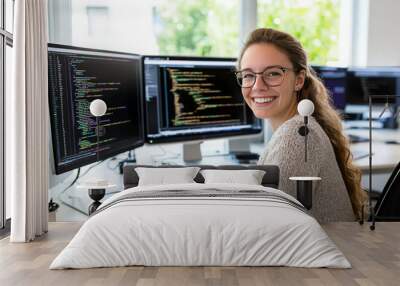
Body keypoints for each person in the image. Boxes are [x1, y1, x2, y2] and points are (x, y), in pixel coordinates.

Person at [236, 28, 364, 223]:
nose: (257, 86)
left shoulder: (296, 137)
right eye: (248, 75)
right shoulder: (299, 128)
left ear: (298, 80)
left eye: (272, 74)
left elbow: (273, 225)